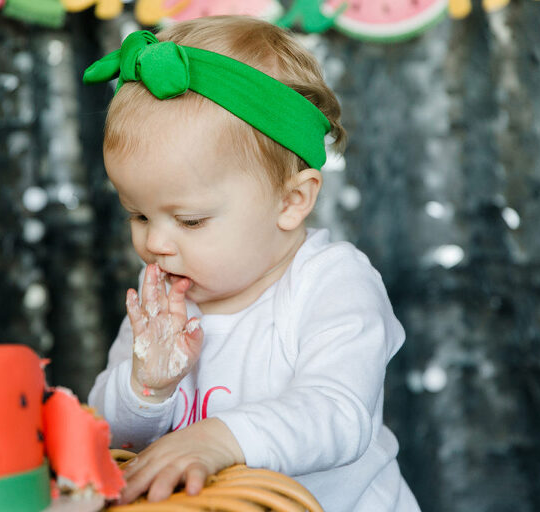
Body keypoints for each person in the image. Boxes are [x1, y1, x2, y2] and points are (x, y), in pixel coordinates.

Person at [84, 15, 420, 512]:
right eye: (137, 214)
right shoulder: (162, 289)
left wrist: (218, 439)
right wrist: (145, 388)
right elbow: (112, 438)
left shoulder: (332, 283)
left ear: (291, 201)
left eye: (191, 220)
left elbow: (338, 414)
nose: (155, 242)